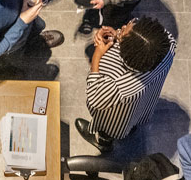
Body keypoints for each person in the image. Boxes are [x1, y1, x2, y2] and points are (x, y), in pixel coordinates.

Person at [75, 18, 176, 153]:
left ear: (125, 52)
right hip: (144, 104)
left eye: (123, 31)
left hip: (115, 120)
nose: (122, 27)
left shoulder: (112, 73)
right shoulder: (167, 47)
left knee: (110, 129)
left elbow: (95, 97)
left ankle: (103, 142)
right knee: (133, 120)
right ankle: (131, 128)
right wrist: (119, 35)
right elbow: (155, 38)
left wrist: (97, 55)